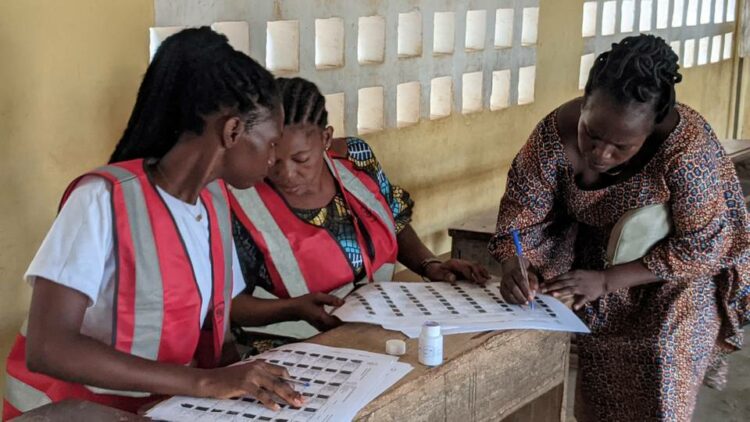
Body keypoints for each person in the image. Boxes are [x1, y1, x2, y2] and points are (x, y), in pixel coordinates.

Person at [3, 28, 305, 420]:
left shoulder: (213, 202)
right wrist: (203, 382)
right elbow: (49, 348)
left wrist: (243, 378)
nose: (273, 158)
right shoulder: (102, 199)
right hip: (72, 410)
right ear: (232, 132)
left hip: (159, 407)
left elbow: (214, 315)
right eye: (272, 142)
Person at [489, 34, 750, 421]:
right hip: (597, 260)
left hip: (680, 278)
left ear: (653, 127)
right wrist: (515, 262)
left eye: (621, 147)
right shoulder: (551, 138)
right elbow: (521, 212)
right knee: (604, 386)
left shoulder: (689, 153)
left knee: (662, 368)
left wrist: (608, 281)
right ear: (584, 101)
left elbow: (704, 248)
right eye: (591, 134)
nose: (600, 153)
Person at [230, 77, 490, 344]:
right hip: (287, 347)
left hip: (376, 327)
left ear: (326, 138)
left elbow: (394, 220)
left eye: (301, 159)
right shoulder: (239, 200)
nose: (285, 174)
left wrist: (430, 264)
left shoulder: (356, 159)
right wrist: (292, 309)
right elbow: (226, 304)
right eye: (272, 158)